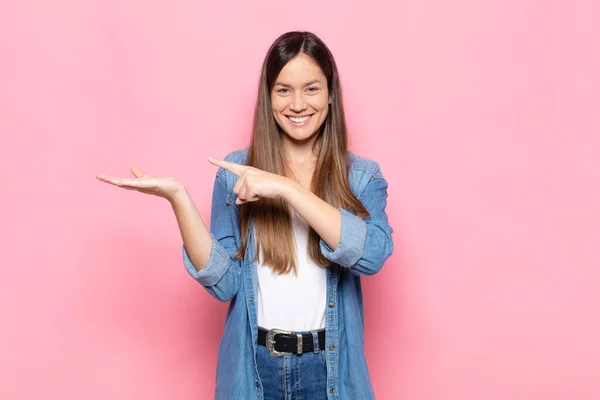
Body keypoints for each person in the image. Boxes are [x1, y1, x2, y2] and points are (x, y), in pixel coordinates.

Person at [97, 31, 394, 400]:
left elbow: (373, 254)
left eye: (312, 89)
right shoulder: (236, 172)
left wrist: (288, 189)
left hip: (329, 370)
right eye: (283, 90)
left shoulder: (361, 177)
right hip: (254, 371)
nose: (298, 103)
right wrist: (179, 198)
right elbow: (224, 285)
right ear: (268, 98)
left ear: (331, 94)